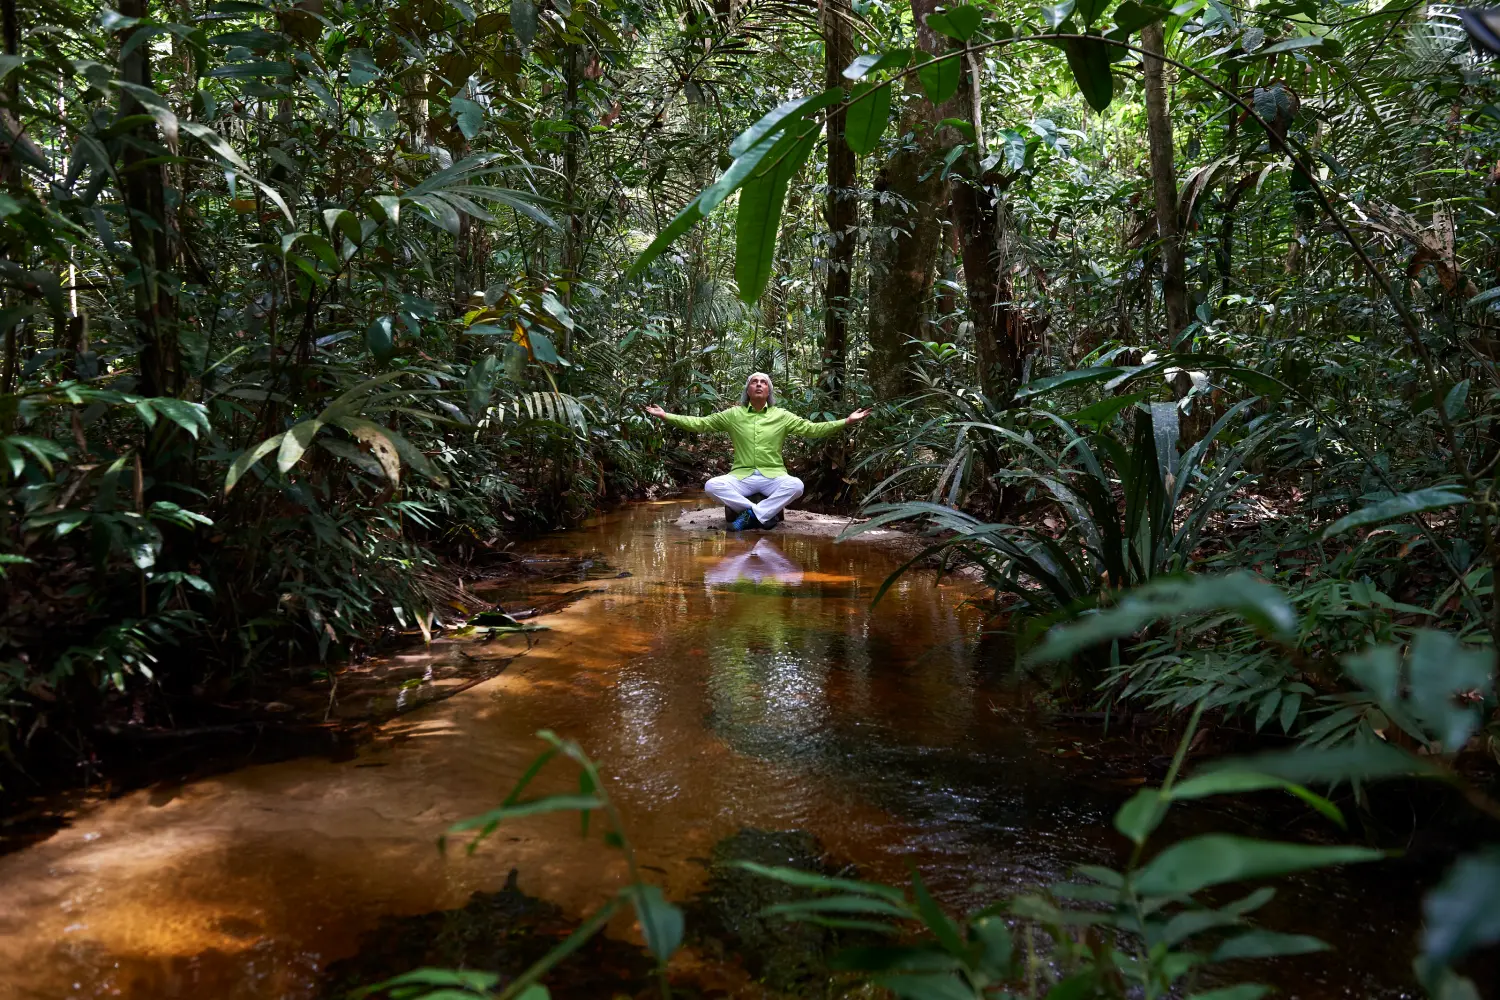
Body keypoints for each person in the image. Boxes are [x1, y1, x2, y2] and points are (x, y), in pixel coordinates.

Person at [644, 372, 871, 530]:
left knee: (797, 486)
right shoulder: (733, 415)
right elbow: (700, 423)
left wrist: (846, 421)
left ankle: (750, 516)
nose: (760, 384)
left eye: (764, 382)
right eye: (755, 382)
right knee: (712, 486)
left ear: (769, 390)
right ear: (748, 389)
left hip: (773, 475)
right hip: (741, 476)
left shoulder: (781, 416)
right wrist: (666, 416)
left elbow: (812, 430)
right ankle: (760, 514)